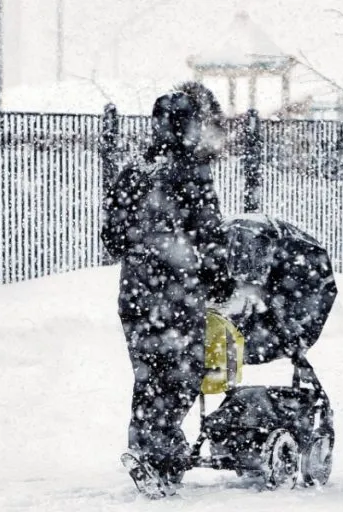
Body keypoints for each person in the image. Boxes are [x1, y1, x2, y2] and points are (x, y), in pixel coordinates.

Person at [100, 82, 234, 494]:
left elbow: (112, 238)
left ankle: (147, 449)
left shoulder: (133, 172)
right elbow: (209, 232)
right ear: (190, 126)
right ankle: (162, 455)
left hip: (137, 294)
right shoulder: (192, 171)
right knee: (183, 373)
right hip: (177, 293)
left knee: (149, 375)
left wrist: (143, 244)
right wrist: (217, 275)